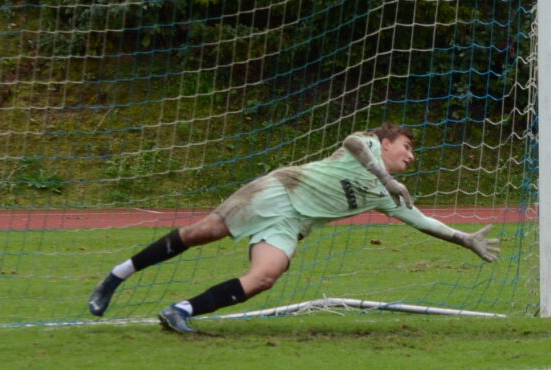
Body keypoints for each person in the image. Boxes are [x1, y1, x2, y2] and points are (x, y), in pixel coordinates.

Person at [87, 125, 499, 334]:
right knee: (201, 233)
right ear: (387, 142)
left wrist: (464, 239)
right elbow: (352, 142)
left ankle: (180, 311)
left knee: (265, 276)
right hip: (278, 191)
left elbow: (423, 221)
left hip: (293, 223)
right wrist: (384, 176)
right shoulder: (370, 147)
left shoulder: (387, 195)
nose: (411, 156)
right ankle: (115, 277)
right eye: (407, 146)